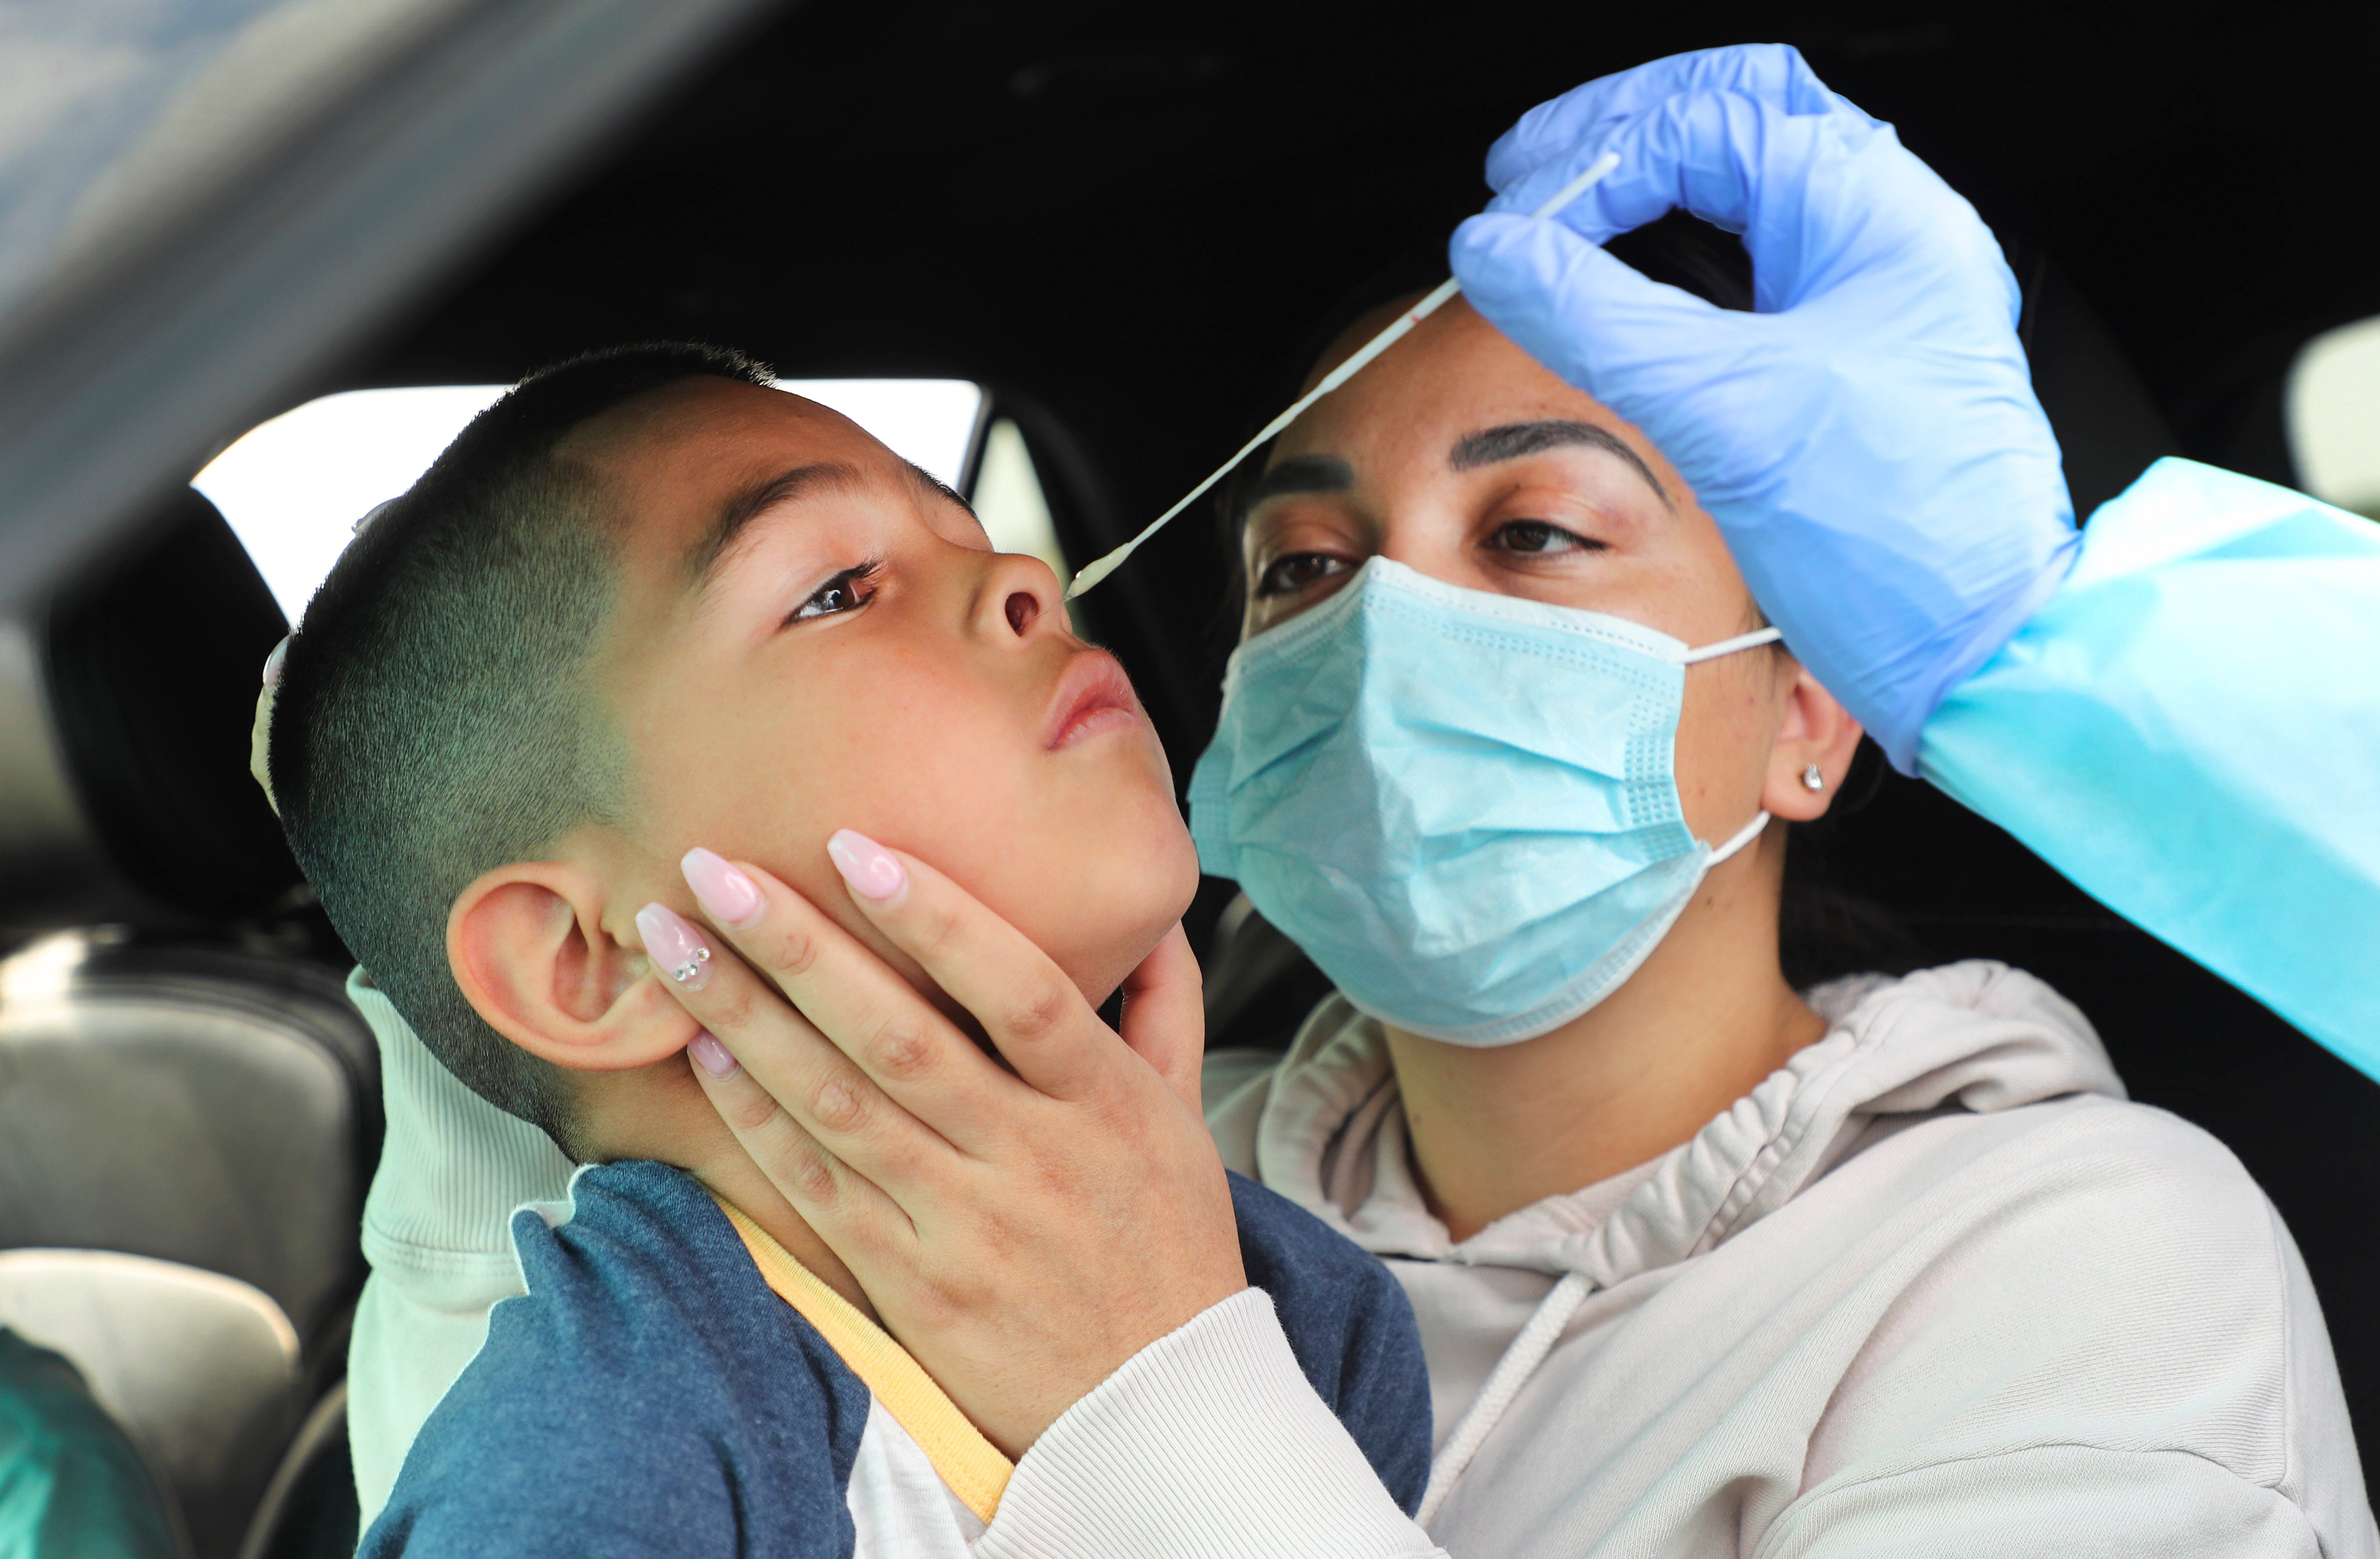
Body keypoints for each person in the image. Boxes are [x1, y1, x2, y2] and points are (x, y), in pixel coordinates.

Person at [261, 343, 1430, 1554]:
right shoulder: (586, 1468)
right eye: (836, 590)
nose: (1024, 577)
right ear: (590, 959)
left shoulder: (1310, 1316)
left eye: (973, 535)